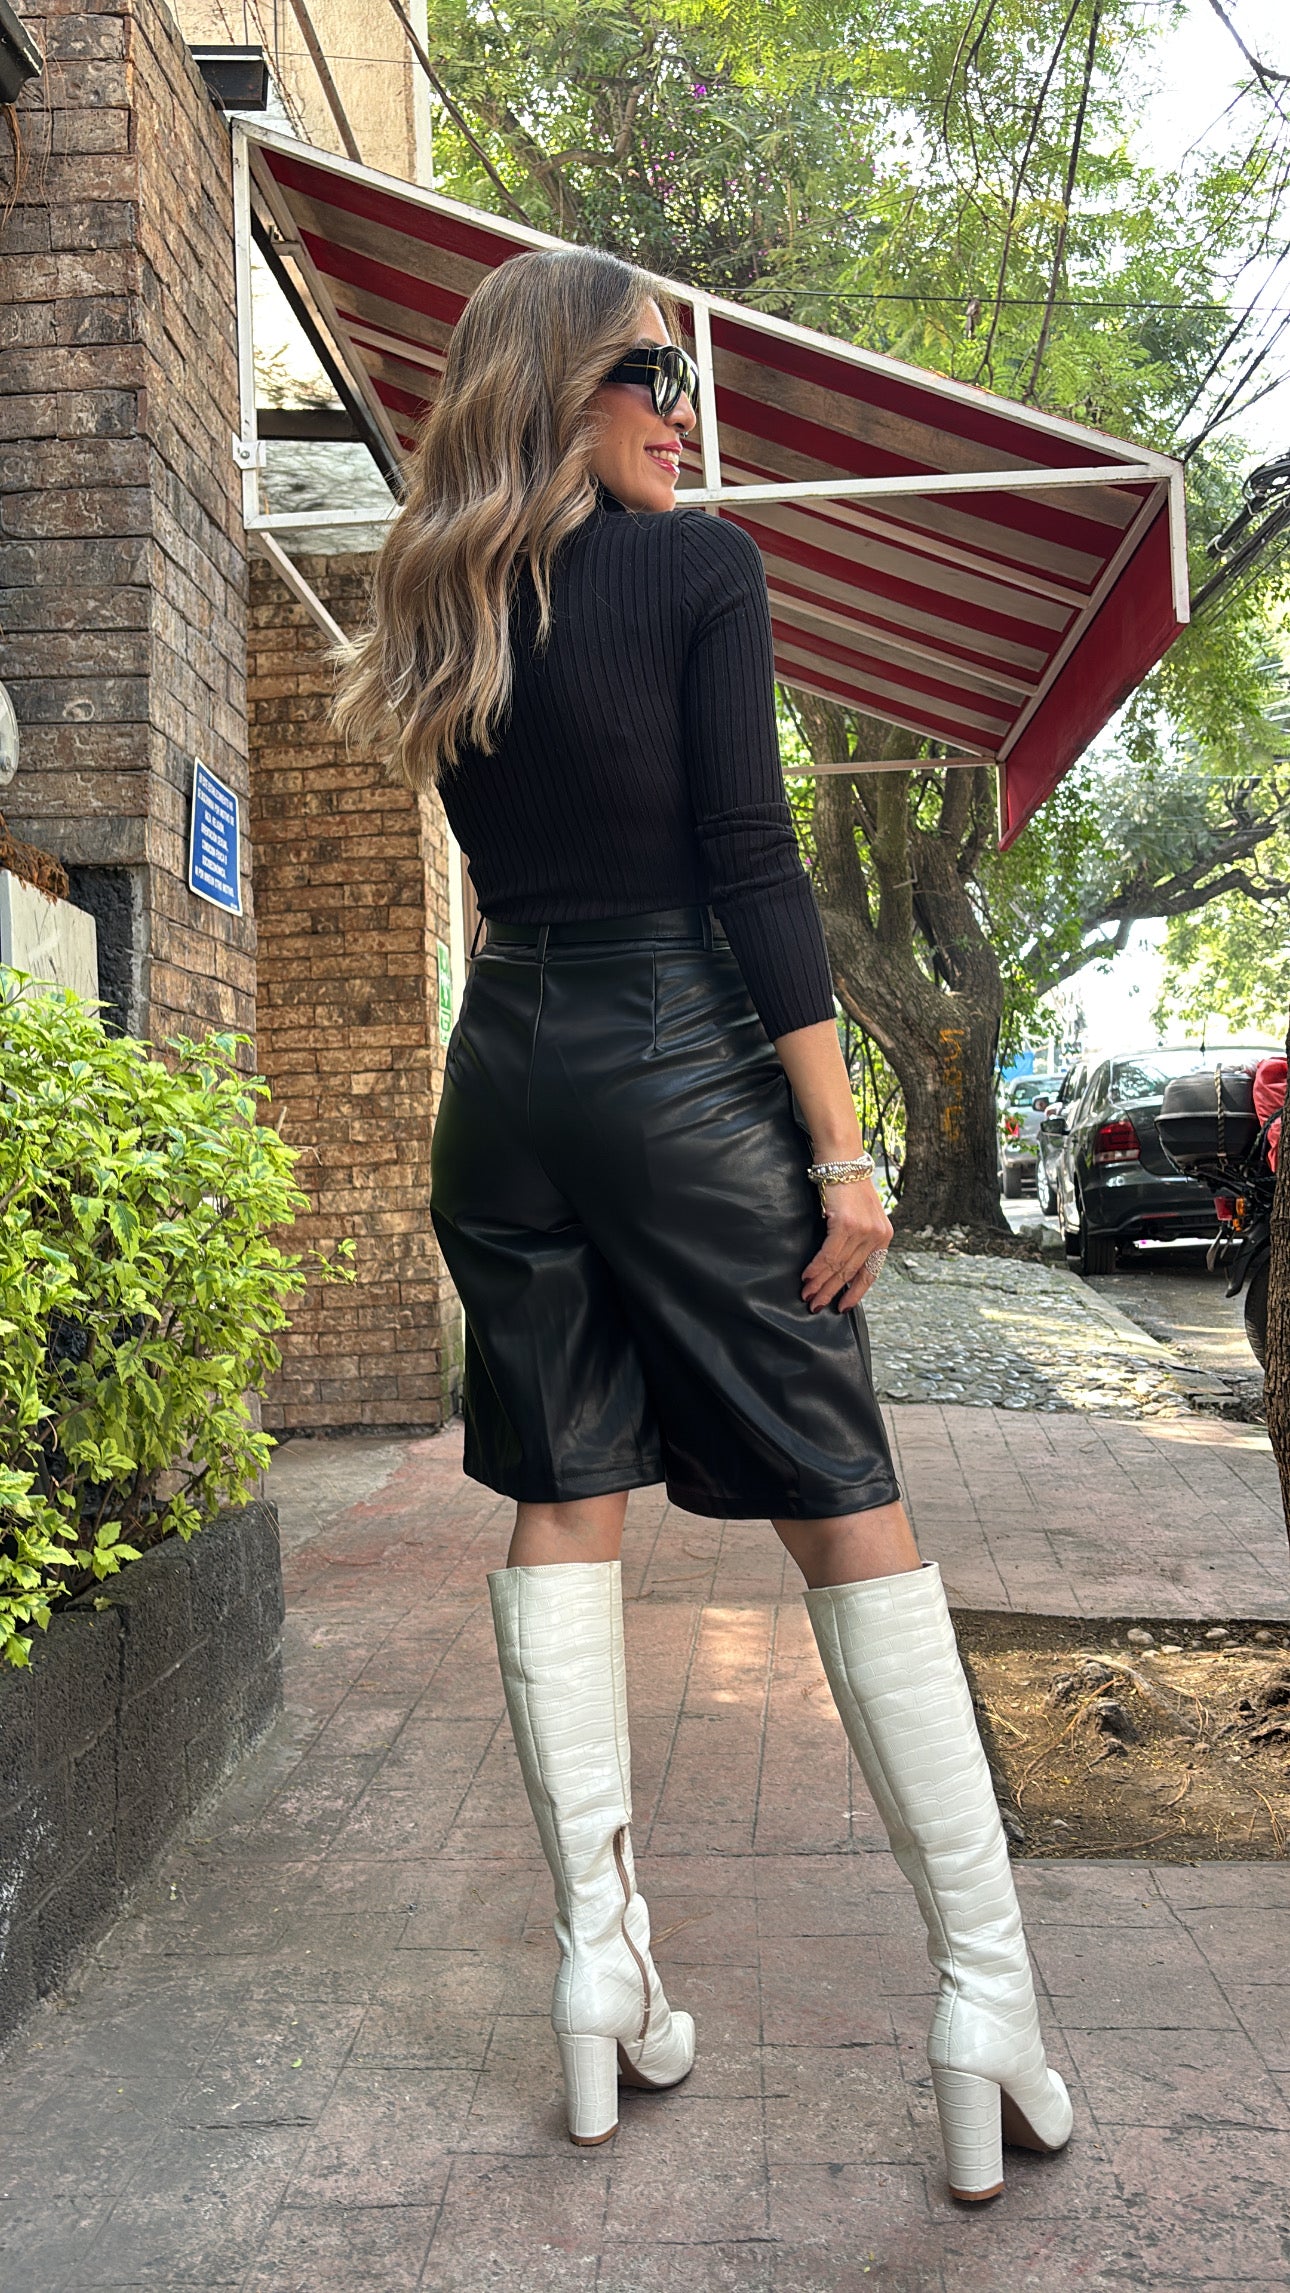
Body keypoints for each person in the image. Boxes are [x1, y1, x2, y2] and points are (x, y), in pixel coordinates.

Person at [335, 246, 1071, 2203]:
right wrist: (840, 1151)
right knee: (844, 1491)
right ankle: (986, 1998)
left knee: (561, 1492)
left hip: (503, 1081)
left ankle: (602, 1973)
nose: (685, 412)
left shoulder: (442, 589)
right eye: (650, 374)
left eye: (686, 381)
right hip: (676, 1061)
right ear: (558, 385)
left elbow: (520, 873)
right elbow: (752, 864)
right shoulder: (699, 574)